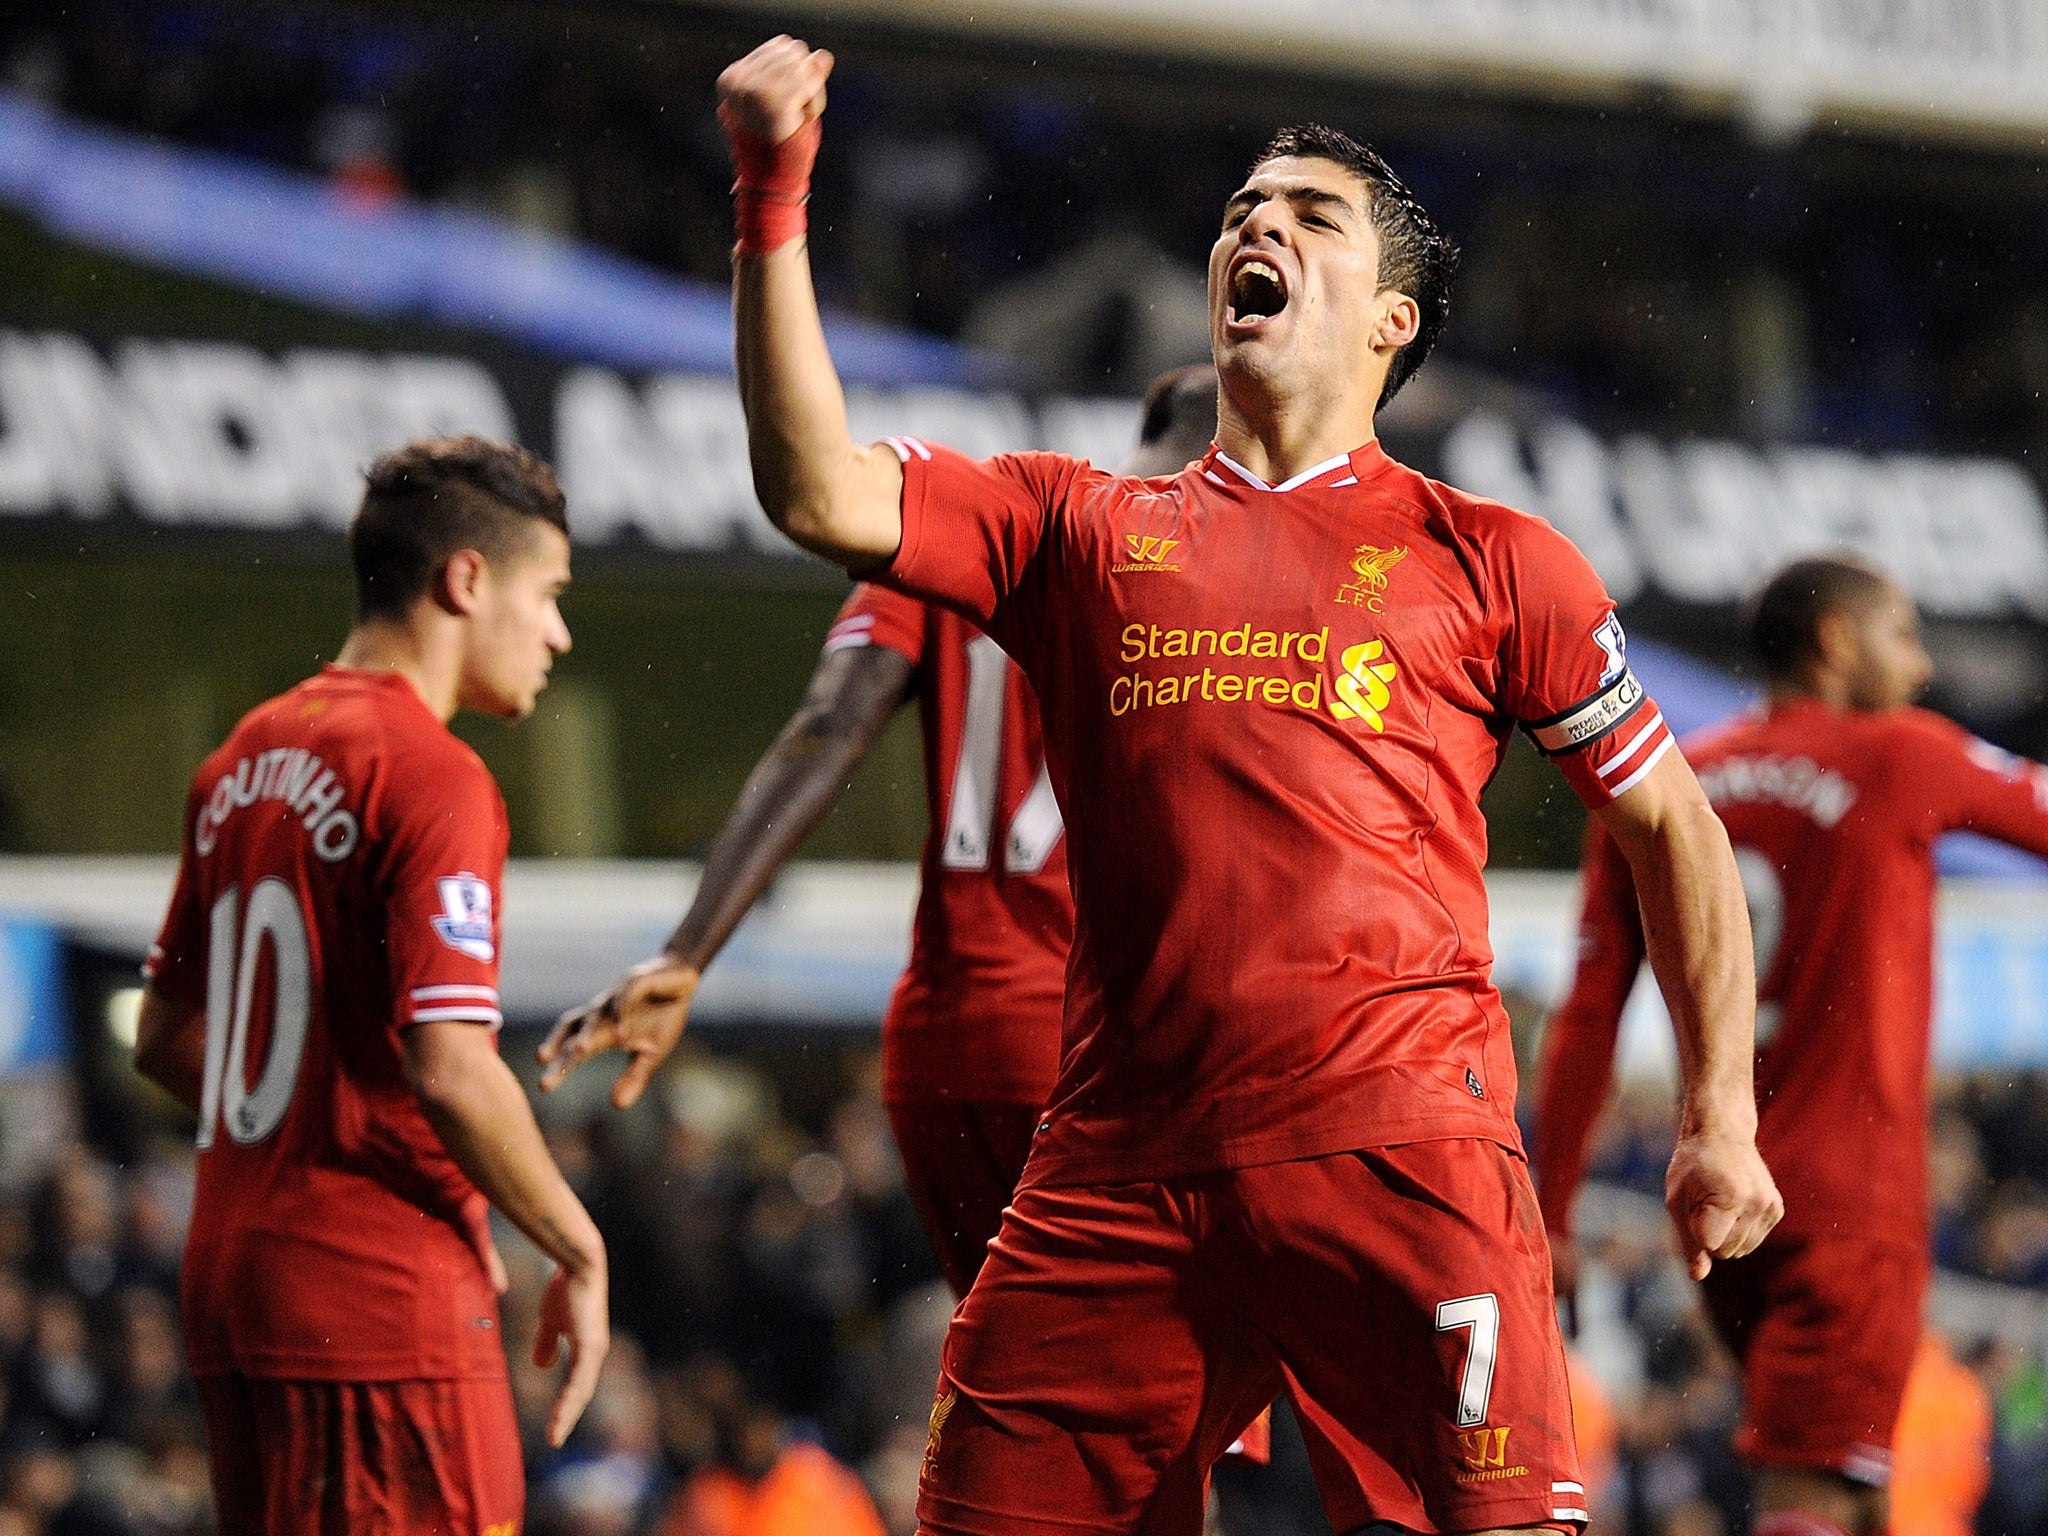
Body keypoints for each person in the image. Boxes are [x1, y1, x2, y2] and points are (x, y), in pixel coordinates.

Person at [711, 36, 1780, 1535]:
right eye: (1239, 209)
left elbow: (1674, 821)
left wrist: (1720, 1116)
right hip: (1114, 1171)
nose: (1253, 226)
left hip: (1404, 1155)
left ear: (1391, 321)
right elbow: (813, 487)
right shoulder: (1073, 526)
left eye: (1308, 215)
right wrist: (773, 198)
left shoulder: (1495, 562)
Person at [537, 363, 1215, 1299]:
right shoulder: (1232, 580)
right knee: (1182, 1417)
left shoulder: (984, 527)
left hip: (944, 1050)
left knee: (1009, 1388)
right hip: (1100, 1056)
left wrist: (689, 952)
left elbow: (824, 728)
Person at [132, 437, 609, 1534]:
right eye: (548, 595)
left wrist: (313, 1122)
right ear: (468, 580)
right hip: (376, 1307)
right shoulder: (433, 776)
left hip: (236, 1283)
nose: (558, 633)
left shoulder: (239, 760)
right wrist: (573, 1243)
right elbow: (448, 1064)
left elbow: (165, 1038)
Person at [1535, 554, 2048, 1536]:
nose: (1920, 669)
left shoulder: (1663, 784)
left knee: (1850, 1490)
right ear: (1834, 641)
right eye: (1901, 635)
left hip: (1719, 1207)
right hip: (1850, 1199)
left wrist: (1552, 1212)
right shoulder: (1897, 755)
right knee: (1811, 1497)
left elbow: (1588, 1012)